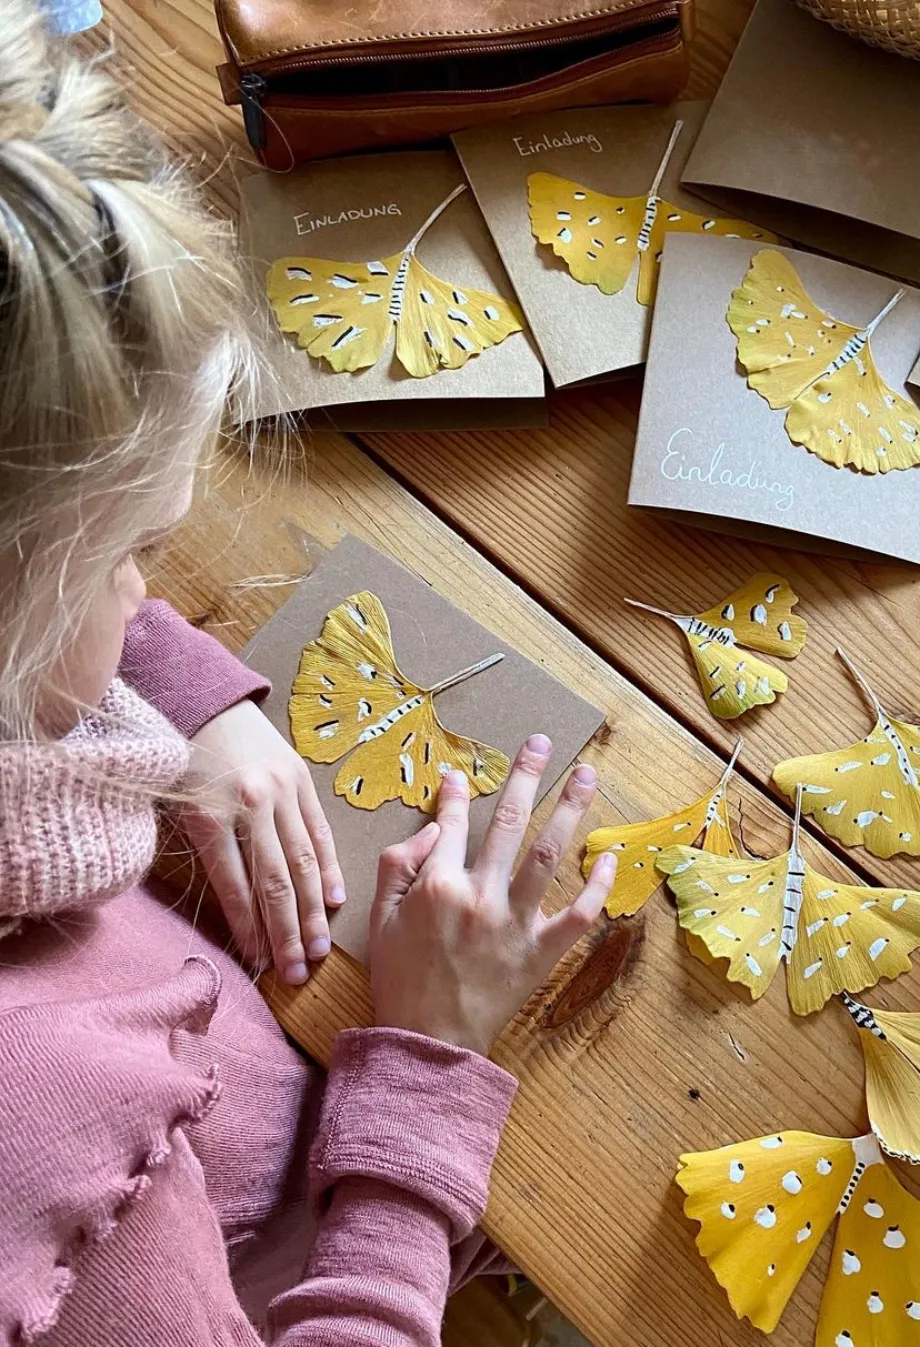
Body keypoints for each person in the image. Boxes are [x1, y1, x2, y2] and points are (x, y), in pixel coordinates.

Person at [0, 3, 617, 1343]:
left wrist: (171, 687)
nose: (143, 595)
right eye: (136, 555)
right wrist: (428, 1074)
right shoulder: (38, 1138)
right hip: (303, 1241)